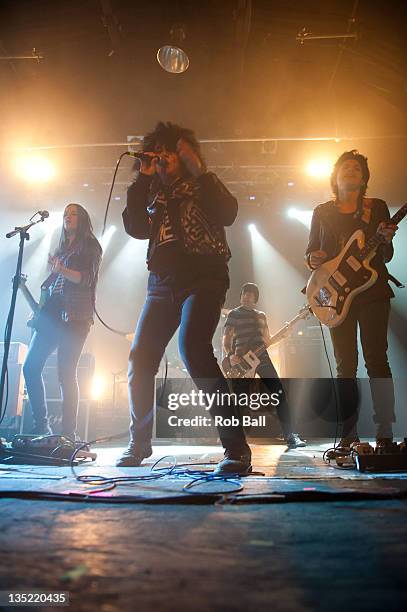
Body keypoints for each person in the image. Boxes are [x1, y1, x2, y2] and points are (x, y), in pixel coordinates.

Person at [117, 121, 251, 474]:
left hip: (204, 275)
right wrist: (143, 177)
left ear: (183, 153)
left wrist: (200, 170)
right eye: (156, 150)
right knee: (140, 358)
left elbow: (229, 212)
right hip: (162, 282)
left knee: (193, 348)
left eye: (169, 150)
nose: (162, 156)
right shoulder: (151, 193)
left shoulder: (203, 183)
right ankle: (138, 444)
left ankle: (236, 448)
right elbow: (135, 227)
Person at [305, 150, 398, 449]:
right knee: (345, 365)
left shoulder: (378, 207)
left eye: (357, 168)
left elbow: (386, 256)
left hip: (372, 291)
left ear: (364, 178)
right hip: (335, 294)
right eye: (345, 166)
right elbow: (311, 253)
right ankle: (348, 433)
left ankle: (385, 430)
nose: (351, 170)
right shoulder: (322, 211)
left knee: (376, 359)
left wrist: (386, 241)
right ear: (335, 176)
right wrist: (313, 257)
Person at [23, 203, 102, 440]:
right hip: (52, 313)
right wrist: (39, 309)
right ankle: (42, 426)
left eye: (73, 213)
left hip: (75, 316)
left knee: (66, 373)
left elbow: (86, 280)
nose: (68, 217)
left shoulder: (90, 246)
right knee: (30, 367)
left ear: (83, 218)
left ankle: (69, 434)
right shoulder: (59, 251)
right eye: (65, 214)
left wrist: (62, 269)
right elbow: (50, 287)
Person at [222, 282, 306, 448]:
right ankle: (237, 440)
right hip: (241, 361)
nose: (246, 296)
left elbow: (267, 340)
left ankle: (289, 435)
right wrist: (230, 355)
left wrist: (284, 334)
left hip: (262, 359)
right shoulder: (234, 314)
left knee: (279, 393)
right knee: (241, 401)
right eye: (244, 293)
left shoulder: (261, 316)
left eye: (250, 294)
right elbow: (226, 336)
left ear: (255, 298)